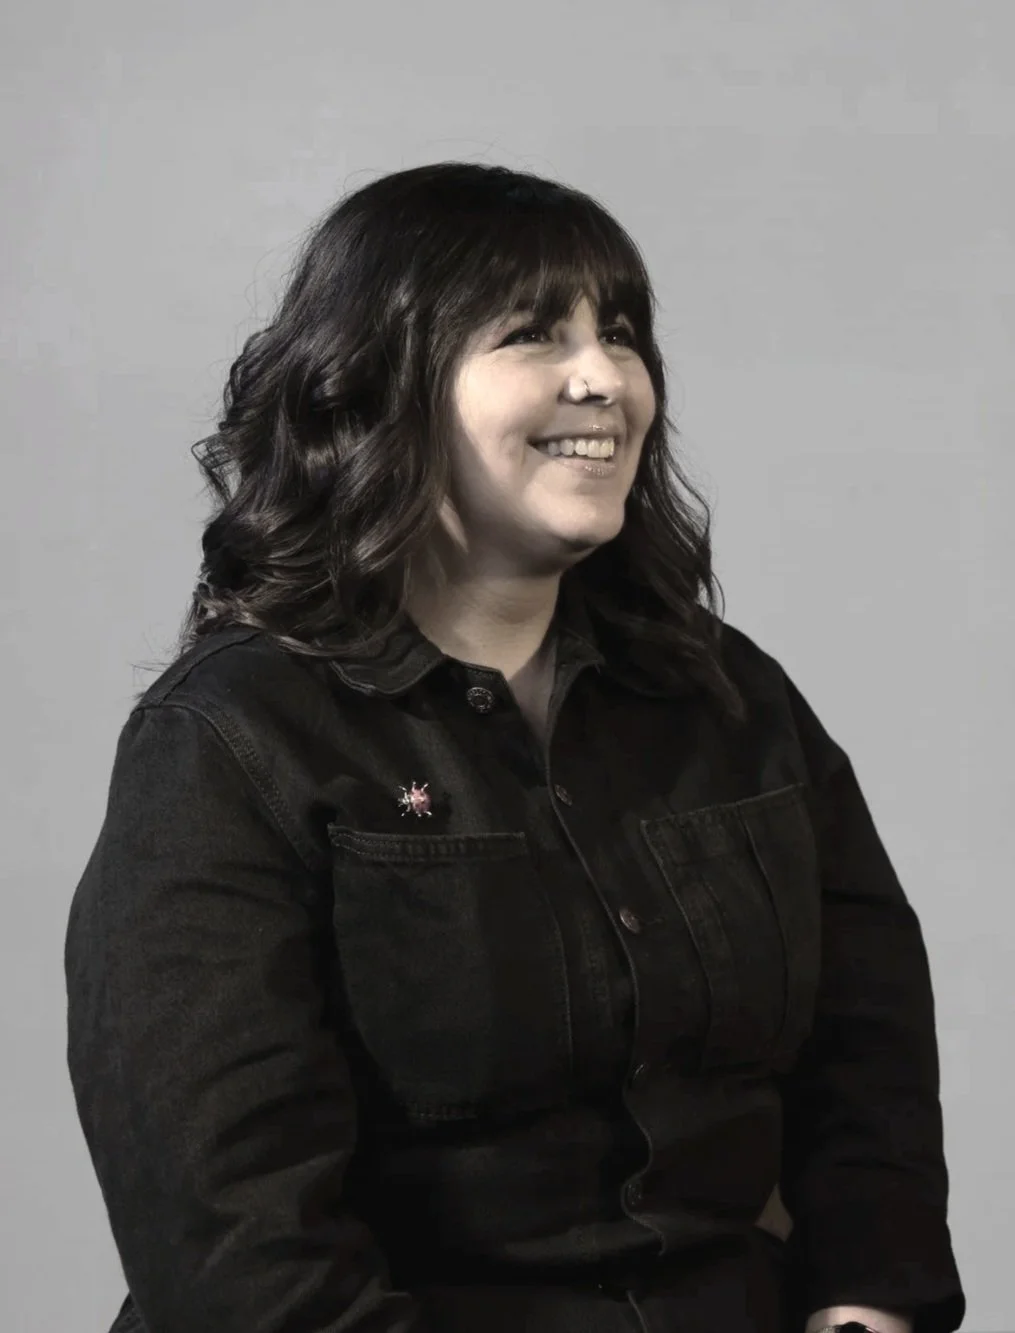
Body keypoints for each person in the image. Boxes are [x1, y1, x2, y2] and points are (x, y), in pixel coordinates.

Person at [64, 162, 965, 1333]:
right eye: (535, 335)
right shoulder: (228, 744)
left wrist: (867, 1304)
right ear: (380, 387)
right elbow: (232, 1240)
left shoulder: (731, 697)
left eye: (622, 334)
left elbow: (870, 1068)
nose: (605, 378)